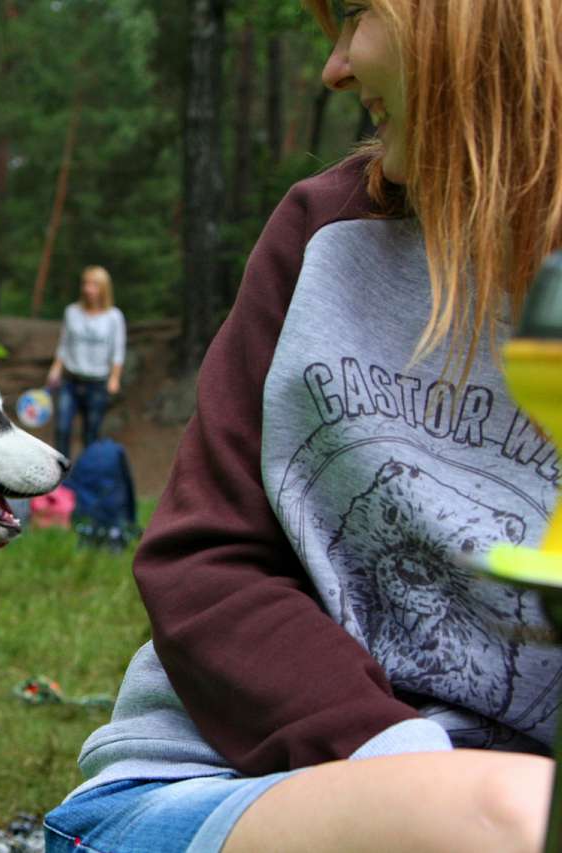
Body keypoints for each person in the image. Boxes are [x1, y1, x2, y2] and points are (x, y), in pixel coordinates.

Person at [44, 0, 562, 850]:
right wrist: (406, 764)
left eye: (360, 12)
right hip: (220, 788)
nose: (337, 67)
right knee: (513, 823)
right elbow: (201, 559)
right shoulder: (323, 235)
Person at [46, 266, 126, 457]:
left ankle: (87, 476)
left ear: (104, 289)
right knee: (62, 429)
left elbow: (118, 350)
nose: (88, 289)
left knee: (91, 434)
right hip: (71, 380)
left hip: (97, 383)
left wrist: (114, 378)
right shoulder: (72, 312)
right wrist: (55, 369)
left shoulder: (114, 317)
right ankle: (60, 478)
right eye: (85, 283)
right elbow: (64, 344)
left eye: (94, 284)